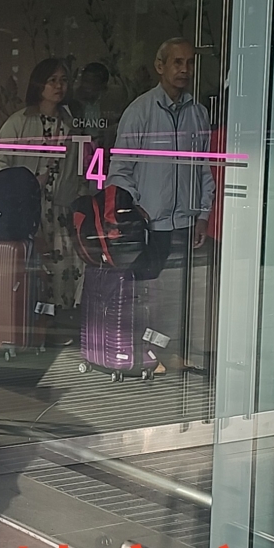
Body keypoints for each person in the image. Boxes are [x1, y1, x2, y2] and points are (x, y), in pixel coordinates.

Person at [107, 38, 213, 370]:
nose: (185, 69)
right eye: (177, 62)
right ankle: (145, 354)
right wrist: (133, 210)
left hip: (186, 222)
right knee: (148, 295)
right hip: (151, 223)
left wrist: (203, 213)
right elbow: (119, 170)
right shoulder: (140, 111)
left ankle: (171, 352)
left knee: (179, 296)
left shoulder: (198, 113)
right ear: (160, 66)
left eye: (190, 63)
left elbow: (205, 168)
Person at [0, 58, 81, 309]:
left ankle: (59, 318)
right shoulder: (20, 121)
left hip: (61, 209)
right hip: (28, 209)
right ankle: (36, 321)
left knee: (62, 268)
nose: (59, 86)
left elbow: (79, 169)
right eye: (52, 80)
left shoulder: (71, 124)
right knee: (32, 268)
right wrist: (19, 187)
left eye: (63, 80)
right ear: (39, 84)